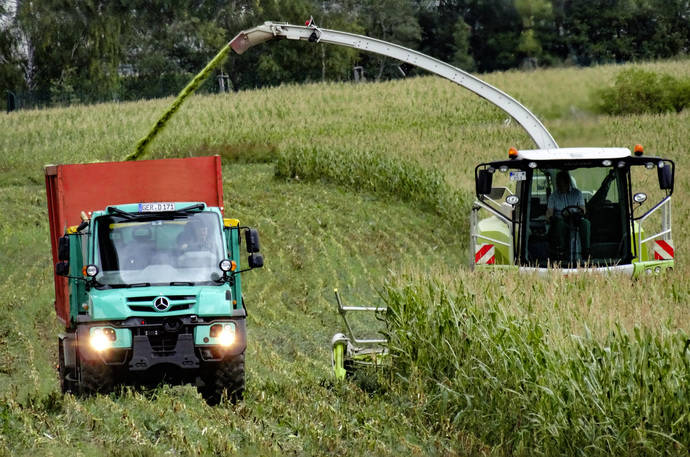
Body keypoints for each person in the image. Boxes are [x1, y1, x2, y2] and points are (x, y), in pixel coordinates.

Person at [546, 170, 590, 260]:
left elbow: (583, 210)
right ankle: (561, 250)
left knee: (586, 223)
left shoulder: (577, 194)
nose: (561, 185)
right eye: (559, 183)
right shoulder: (553, 196)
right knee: (559, 223)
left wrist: (576, 214)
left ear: (568, 182)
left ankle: (586, 250)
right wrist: (550, 218)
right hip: (560, 220)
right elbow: (549, 212)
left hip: (576, 219)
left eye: (563, 183)